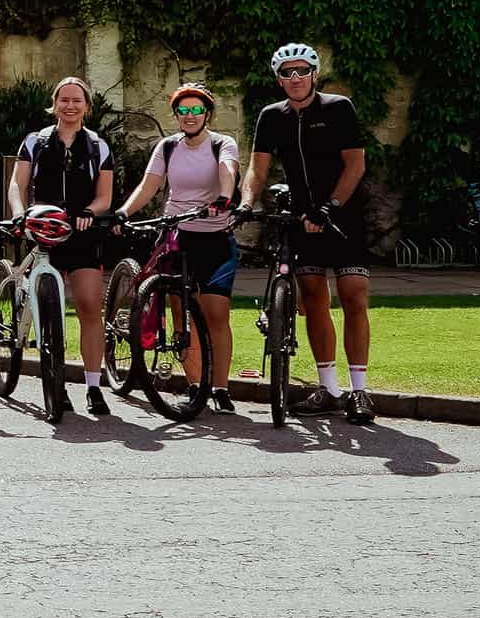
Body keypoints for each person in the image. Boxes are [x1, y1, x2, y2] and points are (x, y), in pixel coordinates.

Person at [242, 42, 373, 424]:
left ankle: (360, 391)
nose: (295, 78)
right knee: (313, 297)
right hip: (300, 217)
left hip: (343, 214)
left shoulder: (338, 108)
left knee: (353, 296)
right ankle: (329, 389)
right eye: (287, 72)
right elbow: (257, 169)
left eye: (302, 71)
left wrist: (330, 206)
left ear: (315, 74)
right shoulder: (271, 117)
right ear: (278, 79)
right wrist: (247, 202)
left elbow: (355, 165)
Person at [117, 84, 240, 412]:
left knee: (216, 314)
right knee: (181, 310)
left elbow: (228, 170)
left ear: (207, 114)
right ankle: (196, 384)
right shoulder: (168, 147)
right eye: (182, 111)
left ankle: (221, 388)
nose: (189, 116)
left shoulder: (221, 144)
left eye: (195, 110)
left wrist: (225, 198)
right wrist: (123, 212)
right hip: (176, 235)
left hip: (214, 237)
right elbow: (149, 185)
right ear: (176, 116)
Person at [8, 76, 114, 416]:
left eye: (77, 100)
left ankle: (94, 386)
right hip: (43, 232)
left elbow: (105, 197)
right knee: (48, 312)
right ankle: (56, 382)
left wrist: (90, 212)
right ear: (54, 104)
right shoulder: (36, 142)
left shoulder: (98, 146)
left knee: (88, 306)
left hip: (82, 234)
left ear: (87, 106)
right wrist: (19, 215)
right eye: (64, 99)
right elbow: (17, 184)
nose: (70, 105)